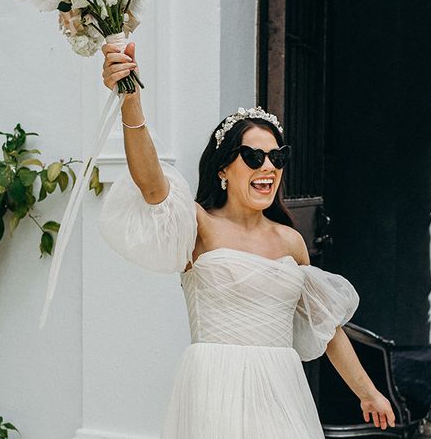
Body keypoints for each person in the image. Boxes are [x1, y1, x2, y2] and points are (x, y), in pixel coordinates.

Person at [99, 41, 396, 438]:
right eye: (254, 157)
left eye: (277, 157)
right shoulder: (198, 223)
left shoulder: (291, 241)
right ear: (224, 167)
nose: (268, 167)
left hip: (281, 389)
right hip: (213, 389)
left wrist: (369, 393)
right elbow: (152, 185)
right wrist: (130, 101)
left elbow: (326, 328)